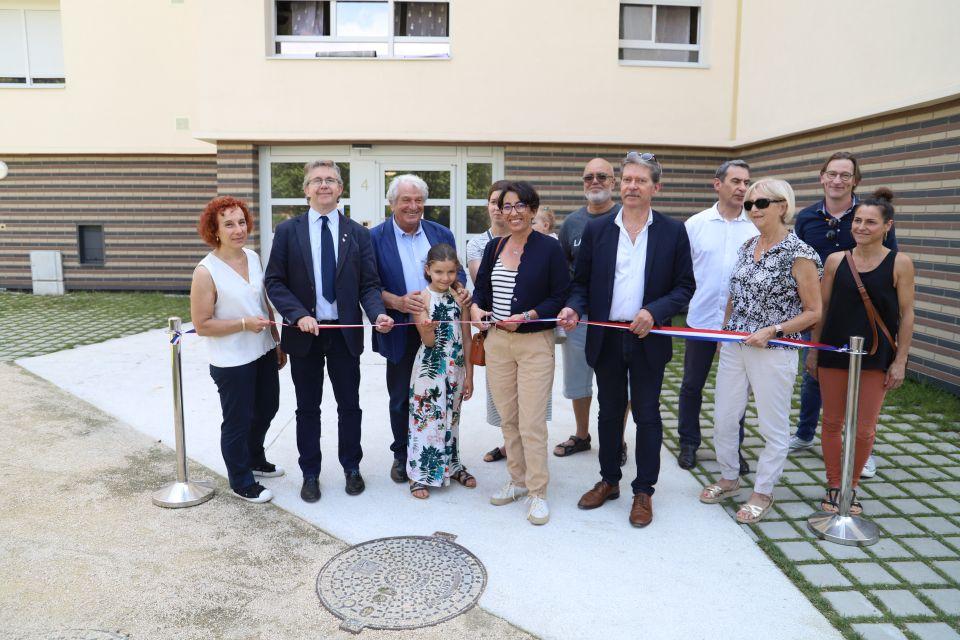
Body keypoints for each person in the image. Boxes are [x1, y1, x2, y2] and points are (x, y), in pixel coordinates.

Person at [560, 152, 695, 528]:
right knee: (609, 412)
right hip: (606, 335)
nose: (632, 186)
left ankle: (644, 491)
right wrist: (574, 307)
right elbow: (580, 283)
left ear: (656, 187)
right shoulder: (599, 230)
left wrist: (654, 311)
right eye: (627, 180)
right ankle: (609, 481)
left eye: (641, 180)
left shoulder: (672, 231)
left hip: (648, 338)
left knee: (648, 415)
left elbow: (685, 287)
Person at [264, 160, 394, 503]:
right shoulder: (288, 231)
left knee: (349, 405)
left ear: (340, 189)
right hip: (304, 335)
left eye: (331, 180)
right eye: (317, 180)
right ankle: (310, 473)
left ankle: (352, 467)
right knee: (307, 408)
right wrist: (296, 315)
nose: (324, 185)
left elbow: (369, 285)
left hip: (344, 335)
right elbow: (274, 282)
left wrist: (378, 314)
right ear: (306, 189)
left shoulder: (359, 233)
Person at [699, 178, 821, 524]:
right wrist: (726, 335)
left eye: (761, 203)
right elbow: (734, 296)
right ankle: (729, 476)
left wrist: (774, 330)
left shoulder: (800, 254)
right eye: (749, 204)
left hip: (775, 348)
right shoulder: (747, 246)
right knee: (724, 415)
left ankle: (763, 491)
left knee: (772, 425)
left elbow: (814, 311)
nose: (753, 210)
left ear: (783, 207)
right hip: (737, 345)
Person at [791, 152, 899, 481]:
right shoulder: (807, 217)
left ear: (855, 180)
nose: (838, 180)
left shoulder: (868, 214)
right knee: (816, 372)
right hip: (819, 308)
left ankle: (863, 449)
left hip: (862, 311)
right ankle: (806, 431)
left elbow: (890, 261)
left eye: (845, 175)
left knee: (863, 383)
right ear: (822, 177)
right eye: (832, 174)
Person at [806, 188, 915, 514]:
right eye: (858, 220)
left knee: (865, 427)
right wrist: (813, 350)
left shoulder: (900, 263)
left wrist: (901, 360)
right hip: (835, 352)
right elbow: (822, 308)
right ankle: (834, 486)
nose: (861, 227)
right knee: (832, 423)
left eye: (870, 222)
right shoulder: (836, 261)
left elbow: (907, 313)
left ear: (887, 226)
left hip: (876, 356)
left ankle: (852, 487)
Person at [472, 180, 570, 526]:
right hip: (498, 342)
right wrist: (475, 312)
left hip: (533, 343)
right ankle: (515, 480)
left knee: (531, 421)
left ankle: (538, 492)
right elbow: (479, 293)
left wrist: (527, 316)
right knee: (508, 418)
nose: (512, 212)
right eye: (505, 206)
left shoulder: (548, 248)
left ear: (531, 209)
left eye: (519, 206)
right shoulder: (494, 248)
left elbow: (560, 295)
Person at [370, 174, 468, 485]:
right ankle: (403, 455)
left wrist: (462, 290)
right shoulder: (374, 238)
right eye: (405, 200)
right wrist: (398, 303)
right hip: (400, 328)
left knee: (443, 397)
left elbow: (457, 274)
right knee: (401, 397)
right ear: (392, 203)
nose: (413, 206)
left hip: (441, 331)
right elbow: (369, 286)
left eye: (418, 200)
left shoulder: (440, 233)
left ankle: (444, 455)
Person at [189, 196, 286, 503]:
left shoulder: (253, 257)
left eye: (241, 222)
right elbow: (202, 324)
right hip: (231, 360)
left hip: (263, 350)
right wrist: (243, 323)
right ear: (214, 230)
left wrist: (276, 339)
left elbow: (263, 303)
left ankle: (255, 458)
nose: (237, 229)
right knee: (238, 421)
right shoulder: (205, 272)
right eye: (228, 224)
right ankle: (240, 479)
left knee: (268, 407)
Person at [678, 160, 758, 472]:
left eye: (746, 183)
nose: (741, 188)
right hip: (700, 320)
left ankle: (732, 450)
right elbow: (682, 273)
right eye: (736, 181)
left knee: (736, 390)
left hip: (738, 327)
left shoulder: (755, 228)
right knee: (691, 385)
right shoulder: (695, 225)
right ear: (717, 184)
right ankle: (688, 443)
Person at [554, 158, 627, 464]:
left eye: (602, 176)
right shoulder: (571, 223)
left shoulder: (627, 217)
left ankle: (617, 440)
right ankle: (582, 434)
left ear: (614, 182)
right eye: (588, 178)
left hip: (620, 318)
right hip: (580, 317)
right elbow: (562, 271)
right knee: (579, 380)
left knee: (619, 382)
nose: (594, 182)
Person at [407, 243, 476, 498]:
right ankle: (419, 475)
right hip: (430, 368)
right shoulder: (421, 298)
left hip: (455, 366)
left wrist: (469, 373)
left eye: (450, 272)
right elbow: (428, 342)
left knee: (452, 417)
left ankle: (453, 466)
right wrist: (427, 327)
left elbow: (467, 337)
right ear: (428, 270)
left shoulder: (460, 297)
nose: (445, 278)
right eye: (438, 272)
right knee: (426, 420)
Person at [466, 180, 512, 464]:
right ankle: (509, 444)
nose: (498, 208)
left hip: (529, 328)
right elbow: (481, 284)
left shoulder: (534, 239)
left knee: (528, 393)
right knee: (502, 391)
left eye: (505, 203)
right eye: (494, 202)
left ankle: (522, 447)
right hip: (495, 328)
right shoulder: (478, 244)